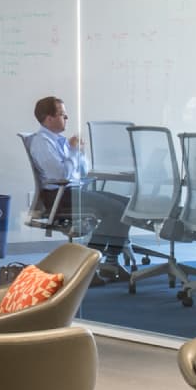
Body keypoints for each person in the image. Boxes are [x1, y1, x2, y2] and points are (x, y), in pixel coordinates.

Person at [24, 95, 130, 265]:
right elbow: (61, 176)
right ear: (49, 118)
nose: (67, 118)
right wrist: (73, 150)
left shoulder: (61, 142)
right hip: (60, 196)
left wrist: (80, 152)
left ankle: (109, 257)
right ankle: (91, 261)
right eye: (62, 114)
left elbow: (84, 171)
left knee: (127, 205)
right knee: (117, 209)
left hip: (74, 191)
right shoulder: (41, 142)